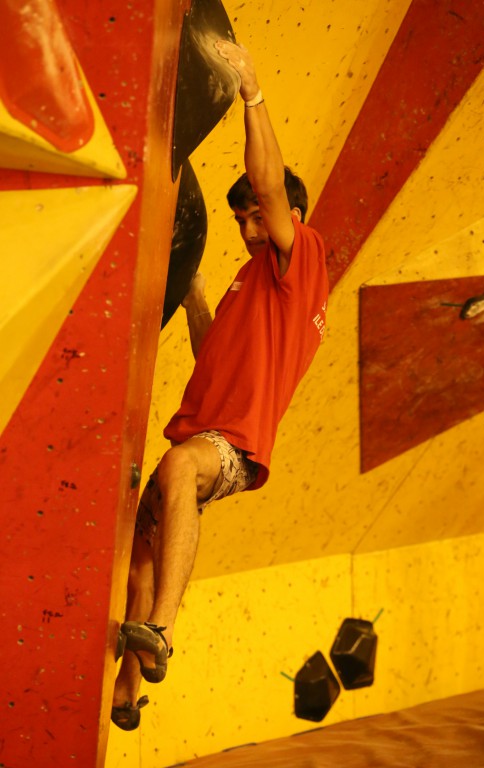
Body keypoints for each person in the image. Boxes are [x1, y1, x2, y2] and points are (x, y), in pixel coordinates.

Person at [111, 40, 328, 730]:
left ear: (288, 217)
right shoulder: (247, 283)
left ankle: (163, 630)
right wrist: (196, 291)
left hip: (230, 447)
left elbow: (270, 183)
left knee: (179, 468)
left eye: (256, 216)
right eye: (240, 220)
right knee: (138, 554)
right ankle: (127, 691)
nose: (248, 228)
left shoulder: (300, 260)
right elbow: (213, 356)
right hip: (200, 428)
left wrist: (252, 93)